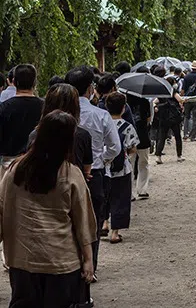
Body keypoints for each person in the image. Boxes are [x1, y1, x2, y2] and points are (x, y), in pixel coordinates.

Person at [0, 111, 97, 307]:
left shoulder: (15, 171)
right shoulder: (70, 174)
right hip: (60, 259)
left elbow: (3, 209)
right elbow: (83, 221)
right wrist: (88, 259)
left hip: (22, 259)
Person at [65, 65, 120, 276]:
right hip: (94, 174)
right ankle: (91, 267)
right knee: (93, 222)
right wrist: (102, 160)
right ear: (90, 88)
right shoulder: (101, 115)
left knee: (67, 220)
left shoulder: (58, 115)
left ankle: (70, 266)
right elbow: (114, 146)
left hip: (64, 174)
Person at [104, 92, 139, 244]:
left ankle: (103, 223)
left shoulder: (102, 123)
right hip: (122, 168)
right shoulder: (127, 126)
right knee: (120, 198)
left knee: (104, 196)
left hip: (103, 166)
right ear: (123, 108)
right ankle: (115, 232)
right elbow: (133, 148)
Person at [0, 64, 43, 176]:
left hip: (8, 166)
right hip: (37, 167)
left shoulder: (4, 107)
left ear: (13, 82)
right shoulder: (45, 107)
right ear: (35, 82)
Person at [155, 76, 184, 164]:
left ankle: (158, 156)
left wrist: (156, 107)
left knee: (162, 137)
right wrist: (183, 101)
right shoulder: (172, 91)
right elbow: (179, 99)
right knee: (177, 136)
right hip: (173, 117)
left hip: (163, 117)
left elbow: (155, 101)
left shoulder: (161, 92)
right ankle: (179, 156)